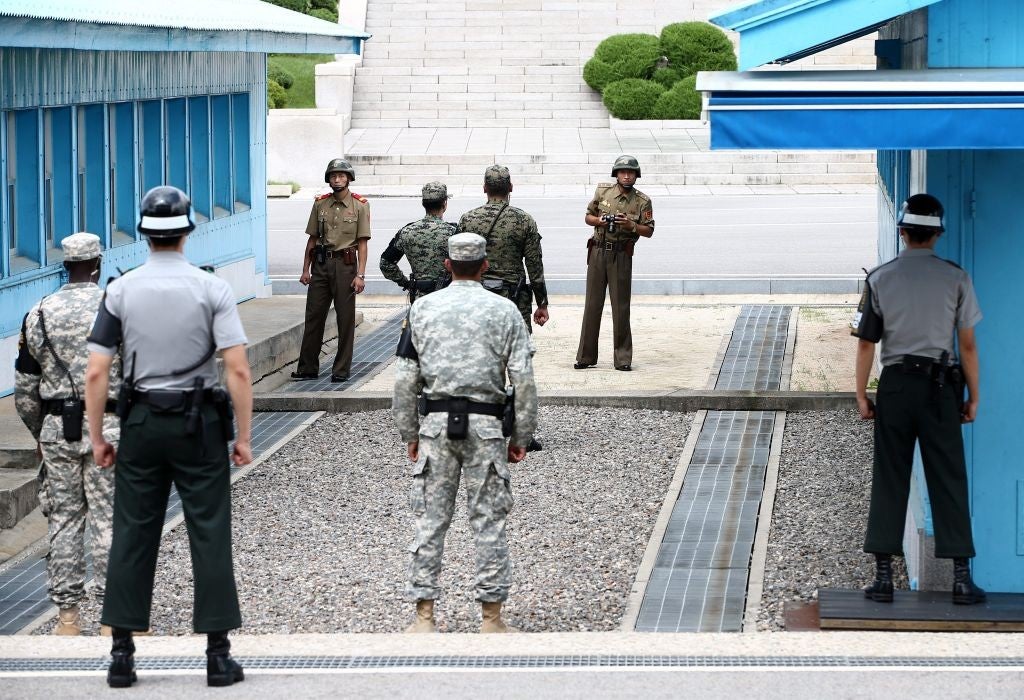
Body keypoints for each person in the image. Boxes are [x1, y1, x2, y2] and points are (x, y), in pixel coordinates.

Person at [85, 186, 253, 688]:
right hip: (198, 424)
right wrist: (243, 436)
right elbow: (238, 369)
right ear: (186, 231)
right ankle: (218, 656)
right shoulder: (212, 289)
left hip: (140, 423)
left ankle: (121, 653)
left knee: (133, 532)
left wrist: (98, 438)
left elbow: (97, 372)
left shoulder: (120, 290)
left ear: (142, 233)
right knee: (209, 530)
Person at [392, 232, 538, 634]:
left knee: (430, 522)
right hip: (487, 428)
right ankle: (492, 618)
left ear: (447, 265)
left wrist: (409, 431)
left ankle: (423, 616)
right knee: (489, 522)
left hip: (437, 425)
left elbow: (405, 378)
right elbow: (523, 378)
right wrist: (521, 436)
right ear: (485, 265)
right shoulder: (505, 311)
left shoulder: (422, 309)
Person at [852, 193, 986, 606]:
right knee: (948, 475)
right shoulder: (956, 278)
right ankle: (961, 579)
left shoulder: (880, 278)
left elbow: (866, 345)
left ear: (902, 231)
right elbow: (967, 346)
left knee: (891, 474)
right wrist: (974, 397)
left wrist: (861, 395)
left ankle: (883, 577)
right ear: (937, 234)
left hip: (895, 386)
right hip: (941, 387)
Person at [14, 232, 121, 636]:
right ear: (97, 264)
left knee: (63, 520)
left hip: (58, 428)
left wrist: (40, 432)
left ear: (65, 266)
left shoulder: (38, 312)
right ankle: (113, 617)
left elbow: (25, 387)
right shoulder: (116, 308)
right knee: (110, 520)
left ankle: (68, 618)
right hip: (110, 428)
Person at [292, 158, 371, 383]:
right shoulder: (320, 204)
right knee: (313, 316)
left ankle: (341, 370)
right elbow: (312, 239)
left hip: (346, 267)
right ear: (328, 179)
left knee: (345, 321)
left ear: (349, 178)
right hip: (320, 266)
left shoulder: (360, 205)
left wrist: (361, 274)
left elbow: (363, 243)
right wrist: (305, 270)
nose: (337, 179)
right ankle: (307, 368)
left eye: (341, 176)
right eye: (333, 176)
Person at [574, 155, 655, 372]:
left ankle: (622, 359)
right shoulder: (603, 192)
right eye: (622, 172)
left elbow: (649, 231)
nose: (627, 176)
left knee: (621, 308)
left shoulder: (642, 201)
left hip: (621, 256)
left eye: (631, 173)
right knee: (592, 305)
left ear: (636, 175)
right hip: (598, 252)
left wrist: (631, 225)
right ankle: (585, 356)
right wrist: (599, 221)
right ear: (616, 174)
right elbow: (588, 216)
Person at [458, 165, 549, 332]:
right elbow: (534, 266)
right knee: (517, 352)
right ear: (511, 188)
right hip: (514, 300)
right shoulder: (524, 220)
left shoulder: (467, 219)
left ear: (484, 188)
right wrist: (542, 303)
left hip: (477, 299)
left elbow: (457, 264)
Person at [380, 181, 458, 301]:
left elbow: (386, 263)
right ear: (445, 204)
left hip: (419, 297)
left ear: (423, 204)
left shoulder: (406, 231)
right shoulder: (454, 232)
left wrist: (406, 283)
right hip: (448, 297)